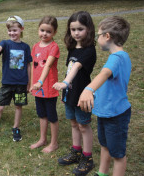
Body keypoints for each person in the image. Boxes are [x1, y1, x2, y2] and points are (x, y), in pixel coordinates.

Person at [78, 16, 131, 176]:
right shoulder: (120, 57)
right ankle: (101, 173)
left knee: (118, 155)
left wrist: (89, 89)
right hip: (105, 112)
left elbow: (105, 73)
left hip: (115, 115)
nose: (97, 39)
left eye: (98, 35)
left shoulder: (117, 58)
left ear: (107, 36)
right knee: (105, 145)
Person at [53, 11, 96, 176]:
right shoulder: (72, 47)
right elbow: (69, 68)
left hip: (82, 95)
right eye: (73, 29)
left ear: (88, 29)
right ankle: (76, 151)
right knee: (73, 123)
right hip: (69, 94)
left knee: (84, 126)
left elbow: (77, 67)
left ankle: (87, 157)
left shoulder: (89, 50)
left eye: (80, 29)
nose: (76, 33)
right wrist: (65, 91)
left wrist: (65, 83)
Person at [29, 16, 60, 153]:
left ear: (54, 32)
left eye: (48, 31)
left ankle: (54, 143)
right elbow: (33, 67)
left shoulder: (54, 47)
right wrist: (32, 84)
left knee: (51, 116)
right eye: (42, 30)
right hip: (37, 88)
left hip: (49, 87)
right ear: (38, 29)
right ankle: (42, 139)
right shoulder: (35, 46)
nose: (44, 34)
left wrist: (40, 82)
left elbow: (47, 65)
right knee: (41, 114)